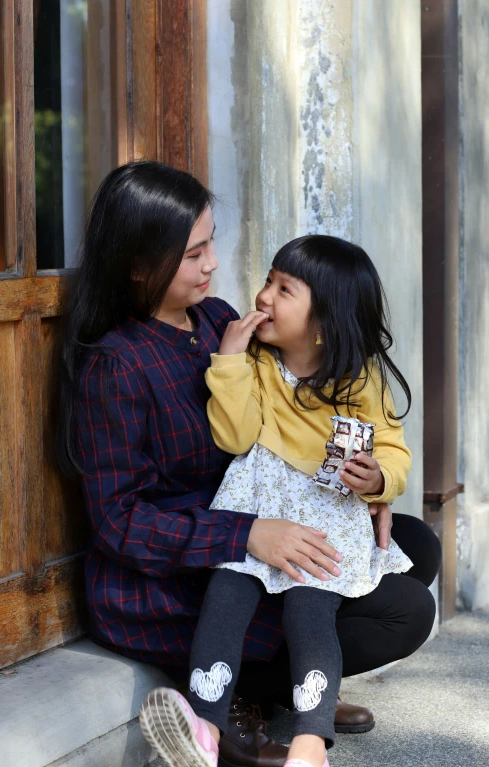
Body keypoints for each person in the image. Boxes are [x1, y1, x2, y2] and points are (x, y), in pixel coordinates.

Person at [58, 161, 441, 767]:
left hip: (255, 525)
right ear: (137, 264)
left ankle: (295, 686)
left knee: (416, 546)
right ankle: (240, 699)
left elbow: (303, 418)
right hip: (174, 578)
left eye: (211, 244)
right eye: (193, 254)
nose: (212, 264)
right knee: (406, 609)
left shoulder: (216, 320)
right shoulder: (119, 366)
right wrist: (248, 534)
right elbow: (119, 522)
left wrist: (370, 487)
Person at [138, 235, 422, 767]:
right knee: (224, 605)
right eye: (268, 280)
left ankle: (311, 741)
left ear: (324, 323)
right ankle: (203, 729)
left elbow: (392, 447)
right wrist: (229, 363)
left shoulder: (359, 378)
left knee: (310, 616)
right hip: (254, 510)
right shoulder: (260, 364)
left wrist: (379, 477)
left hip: (322, 520)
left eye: (284, 289)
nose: (264, 295)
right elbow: (236, 436)